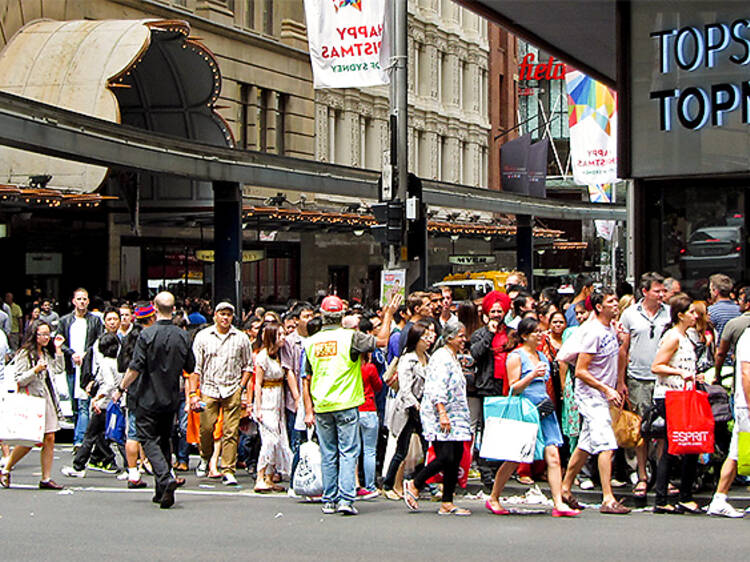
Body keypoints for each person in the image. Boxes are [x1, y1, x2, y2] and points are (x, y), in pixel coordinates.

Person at [302, 294, 398, 516]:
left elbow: (307, 376)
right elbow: (381, 341)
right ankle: (346, 499)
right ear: (341, 316)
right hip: (346, 403)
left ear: (322, 316)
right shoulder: (350, 338)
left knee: (328, 453)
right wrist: (388, 315)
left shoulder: (311, 342)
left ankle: (329, 499)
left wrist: (309, 408)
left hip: (322, 404)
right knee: (348, 452)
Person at [485, 317, 580, 517]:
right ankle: (494, 497)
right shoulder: (516, 356)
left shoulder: (542, 356)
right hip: (525, 408)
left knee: (553, 454)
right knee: (514, 456)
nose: (540, 335)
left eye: (540, 331)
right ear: (525, 336)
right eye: (535, 332)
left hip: (543, 407)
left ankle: (558, 503)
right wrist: (532, 375)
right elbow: (513, 387)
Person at [114, 292, 196, 509]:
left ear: (155, 308)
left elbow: (135, 367)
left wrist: (121, 387)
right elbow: (190, 366)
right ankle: (161, 491)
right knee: (164, 439)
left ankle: (164, 476)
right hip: (170, 396)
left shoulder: (147, 335)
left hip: (147, 395)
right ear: (174, 308)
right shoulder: (183, 336)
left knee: (148, 439)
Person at [560, 287, 631, 514]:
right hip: (591, 396)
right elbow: (580, 370)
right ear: (599, 307)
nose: (615, 304)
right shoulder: (593, 332)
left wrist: (618, 384)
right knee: (606, 444)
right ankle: (608, 498)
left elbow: (618, 356)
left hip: (603, 393)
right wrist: (605, 389)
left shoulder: (610, 328)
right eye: (610, 301)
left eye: (616, 300)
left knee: (586, 444)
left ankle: (565, 487)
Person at [403, 322, 472, 516]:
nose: (463, 340)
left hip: (456, 413)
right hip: (442, 412)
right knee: (445, 456)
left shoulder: (453, 356)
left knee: (455, 456)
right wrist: (442, 412)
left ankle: (447, 501)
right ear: (450, 337)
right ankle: (416, 483)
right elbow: (437, 386)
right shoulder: (442, 357)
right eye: (460, 336)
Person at [617, 272, 671, 499]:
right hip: (638, 378)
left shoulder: (669, 313)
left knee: (663, 430)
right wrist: (620, 381)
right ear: (645, 292)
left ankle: (662, 476)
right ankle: (641, 474)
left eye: (663, 291)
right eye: (657, 291)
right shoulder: (630, 315)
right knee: (641, 431)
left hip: (664, 380)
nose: (661, 295)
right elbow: (623, 350)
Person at [190, 302, 253, 486]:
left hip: (232, 388)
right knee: (206, 428)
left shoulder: (241, 338)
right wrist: (194, 393)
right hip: (209, 388)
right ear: (215, 315)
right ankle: (205, 456)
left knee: (230, 431)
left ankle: (228, 469)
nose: (225, 318)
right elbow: (196, 368)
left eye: (228, 314)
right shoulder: (203, 337)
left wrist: (241, 387)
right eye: (222, 314)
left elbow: (247, 366)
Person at [649, 294, 702, 514]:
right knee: (674, 446)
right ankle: (662, 498)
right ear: (680, 315)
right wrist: (680, 372)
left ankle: (684, 495)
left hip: (685, 395)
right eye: (691, 312)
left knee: (690, 445)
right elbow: (656, 366)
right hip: (670, 396)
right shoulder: (672, 337)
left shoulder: (687, 336)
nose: (695, 315)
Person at [1, 321, 66, 489]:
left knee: (50, 437)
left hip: (47, 398)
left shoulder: (46, 351)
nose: (46, 338)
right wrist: (35, 370)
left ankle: (46, 478)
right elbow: (19, 379)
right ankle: (6, 468)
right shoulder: (25, 353)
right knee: (30, 439)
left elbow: (59, 369)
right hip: (32, 399)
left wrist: (58, 349)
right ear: (34, 335)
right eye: (42, 334)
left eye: (47, 334)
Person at [382, 321, 435, 496]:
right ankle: (388, 485)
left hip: (424, 409)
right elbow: (404, 388)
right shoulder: (408, 359)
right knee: (401, 450)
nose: (428, 340)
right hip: (408, 410)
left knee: (429, 447)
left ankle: (425, 482)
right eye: (424, 337)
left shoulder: (428, 358)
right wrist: (415, 404)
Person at [706, 308, 750, 517]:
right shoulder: (749, 337)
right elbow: (746, 373)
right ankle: (719, 499)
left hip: (745, 405)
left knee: (735, 453)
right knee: (738, 452)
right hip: (747, 406)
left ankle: (719, 499)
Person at [61, 333, 122, 479]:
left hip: (103, 404)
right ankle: (119, 463)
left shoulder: (106, 363)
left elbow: (108, 384)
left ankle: (78, 466)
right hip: (115, 403)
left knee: (89, 436)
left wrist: (97, 398)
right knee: (111, 435)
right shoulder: (118, 362)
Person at [469, 291, 512, 487]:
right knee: (488, 428)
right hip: (487, 385)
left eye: (499, 311)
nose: (496, 314)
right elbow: (476, 354)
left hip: (507, 385)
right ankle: (485, 468)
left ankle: (501, 467)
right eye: (493, 311)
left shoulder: (511, 332)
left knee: (505, 428)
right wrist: (489, 334)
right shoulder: (479, 334)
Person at [57, 288, 104, 449]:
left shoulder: (95, 321)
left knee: (84, 403)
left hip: (87, 368)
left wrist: (86, 354)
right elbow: (59, 341)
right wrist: (71, 354)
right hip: (71, 366)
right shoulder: (65, 321)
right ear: (73, 301)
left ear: (88, 301)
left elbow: (99, 340)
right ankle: (79, 437)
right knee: (75, 405)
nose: (82, 302)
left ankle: (80, 441)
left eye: (85, 299)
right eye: (79, 299)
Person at [117, 304, 155, 489]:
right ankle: (164, 471)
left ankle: (133, 473)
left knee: (132, 433)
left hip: (133, 391)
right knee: (157, 433)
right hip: (153, 390)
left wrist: (121, 388)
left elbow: (122, 365)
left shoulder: (128, 338)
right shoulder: (151, 337)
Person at [253, 321, 293, 492]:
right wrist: (258, 407)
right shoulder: (262, 357)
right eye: (280, 335)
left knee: (278, 439)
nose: (283, 338)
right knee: (270, 440)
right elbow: (258, 384)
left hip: (278, 400)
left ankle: (269, 477)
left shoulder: (279, 355)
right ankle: (260, 475)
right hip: (267, 401)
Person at [356, 316, 383, 500]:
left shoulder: (352, 367)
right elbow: (379, 386)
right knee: (370, 450)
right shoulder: (370, 368)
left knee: (353, 450)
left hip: (354, 408)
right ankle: (370, 485)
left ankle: (355, 484)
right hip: (369, 408)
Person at [714, 289, 750, 385]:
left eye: (741, 300)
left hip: (741, 376)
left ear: (748, 304)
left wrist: (717, 374)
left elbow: (721, 353)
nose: (738, 303)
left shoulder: (733, 324)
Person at [708, 273, 740, 340]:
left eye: (710, 290)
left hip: (720, 349)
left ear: (715, 292)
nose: (710, 292)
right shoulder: (740, 309)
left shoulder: (711, 311)